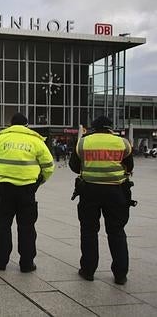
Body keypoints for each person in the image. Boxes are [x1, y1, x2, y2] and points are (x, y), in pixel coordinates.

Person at [0, 113, 54, 272]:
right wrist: (39, 182)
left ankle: (1, 261)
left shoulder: (0, 139)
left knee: (3, 225)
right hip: (27, 189)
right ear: (27, 125)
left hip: (4, 189)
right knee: (27, 226)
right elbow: (49, 166)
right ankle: (27, 264)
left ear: (11, 124)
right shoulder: (36, 140)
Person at [69, 115, 134, 285]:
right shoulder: (123, 143)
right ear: (110, 128)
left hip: (89, 191)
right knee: (117, 231)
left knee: (89, 231)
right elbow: (130, 166)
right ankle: (120, 274)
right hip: (116, 191)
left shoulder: (83, 142)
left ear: (93, 127)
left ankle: (88, 270)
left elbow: (74, 166)